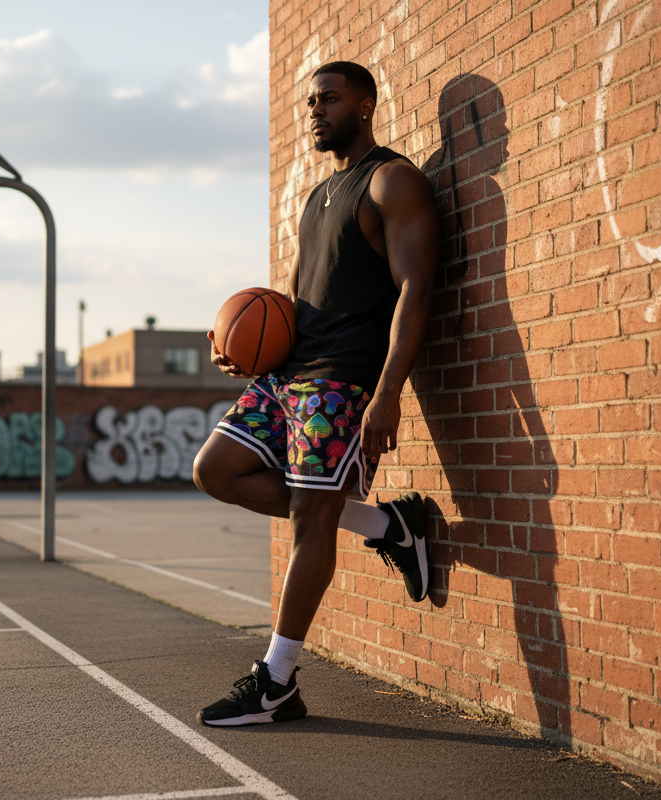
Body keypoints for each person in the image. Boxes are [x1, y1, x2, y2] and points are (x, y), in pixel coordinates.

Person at [192, 60, 440, 726]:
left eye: (328, 99)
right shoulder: (316, 197)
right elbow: (298, 302)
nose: (314, 109)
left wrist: (388, 392)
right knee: (214, 470)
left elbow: (417, 288)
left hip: (344, 379)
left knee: (309, 520)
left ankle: (276, 683)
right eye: (310, 100)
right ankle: (393, 525)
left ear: (365, 105)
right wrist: (245, 349)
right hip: (288, 376)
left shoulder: (393, 181)